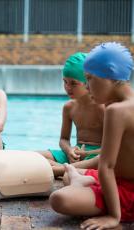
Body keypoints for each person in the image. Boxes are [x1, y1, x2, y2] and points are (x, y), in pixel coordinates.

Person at [50, 42, 134, 229]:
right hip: (118, 181)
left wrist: (113, 217)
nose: (87, 87)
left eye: (89, 79)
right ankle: (81, 181)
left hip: (128, 192)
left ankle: (86, 187)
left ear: (109, 75)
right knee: (67, 176)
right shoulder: (125, 105)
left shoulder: (116, 111)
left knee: (59, 198)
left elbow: (108, 166)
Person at [39, 52, 105, 177]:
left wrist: (85, 154)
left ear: (88, 83)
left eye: (73, 83)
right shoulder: (69, 107)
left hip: (96, 156)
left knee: (101, 161)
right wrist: (69, 151)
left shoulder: (102, 107)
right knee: (34, 156)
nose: (67, 87)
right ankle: (64, 167)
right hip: (75, 153)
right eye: (65, 82)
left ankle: (60, 169)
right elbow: (64, 139)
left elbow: (111, 149)